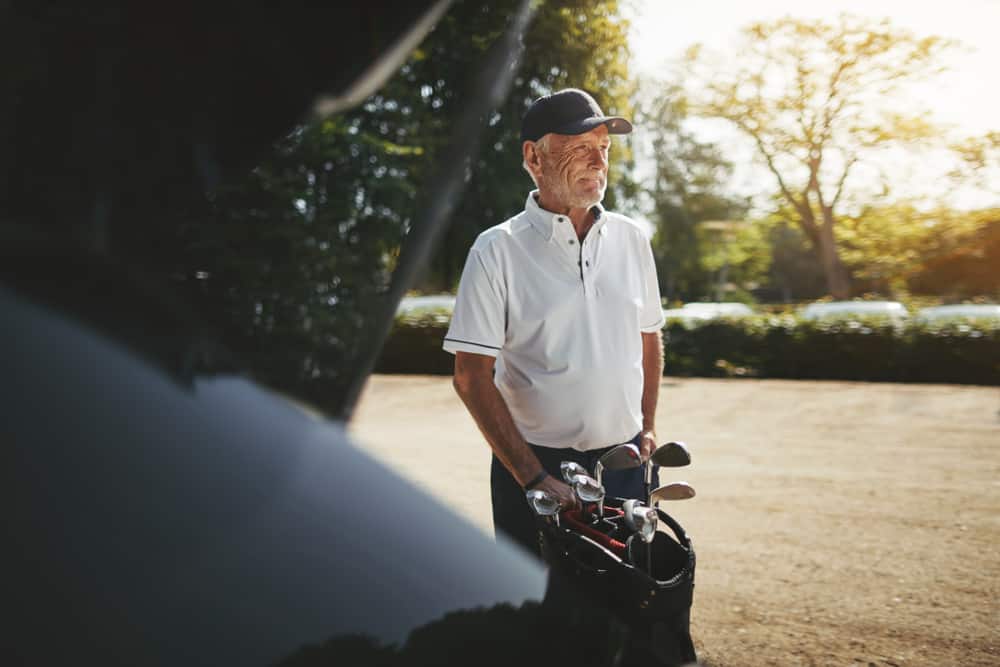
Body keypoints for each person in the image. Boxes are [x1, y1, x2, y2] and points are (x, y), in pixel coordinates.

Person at [442, 88, 665, 554]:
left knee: (626, 606)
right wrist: (532, 476)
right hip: (535, 463)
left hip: (624, 463)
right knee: (541, 605)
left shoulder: (632, 239)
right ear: (534, 157)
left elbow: (649, 337)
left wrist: (646, 426)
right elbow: (470, 377)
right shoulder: (495, 250)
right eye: (581, 147)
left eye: (604, 149)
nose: (599, 162)